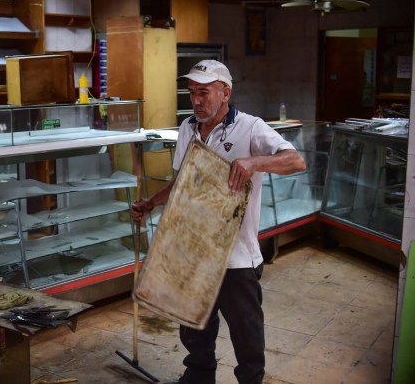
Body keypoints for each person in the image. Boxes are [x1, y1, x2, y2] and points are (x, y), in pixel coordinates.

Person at [131, 60, 306, 384]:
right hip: (195, 251)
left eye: (204, 92)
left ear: (225, 92)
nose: (196, 100)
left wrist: (255, 161)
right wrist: (152, 203)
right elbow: (183, 180)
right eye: (192, 92)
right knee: (194, 326)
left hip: (236, 256)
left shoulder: (250, 127)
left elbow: (296, 160)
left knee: (246, 333)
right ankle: (199, 376)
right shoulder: (187, 129)